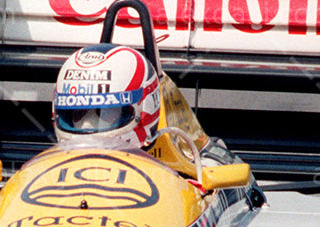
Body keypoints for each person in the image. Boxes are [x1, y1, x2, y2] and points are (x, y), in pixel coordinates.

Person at [51, 43, 237, 179]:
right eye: (76, 115)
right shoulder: (45, 172)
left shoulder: (182, 175)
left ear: (146, 109)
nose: (88, 126)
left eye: (105, 113)